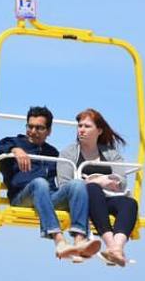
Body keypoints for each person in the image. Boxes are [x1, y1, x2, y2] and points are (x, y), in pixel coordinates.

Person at [0, 106, 99, 261]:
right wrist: (15, 150)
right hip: (22, 197)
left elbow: (65, 176)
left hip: (49, 197)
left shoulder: (52, 153)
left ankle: (79, 241)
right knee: (40, 183)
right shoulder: (13, 142)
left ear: (48, 131)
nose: (33, 131)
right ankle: (59, 242)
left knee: (77, 184)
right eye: (30, 126)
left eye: (39, 128)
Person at [58, 108, 139, 267]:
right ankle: (111, 245)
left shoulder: (111, 154)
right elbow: (65, 185)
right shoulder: (68, 153)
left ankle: (117, 248)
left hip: (107, 198)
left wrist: (103, 180)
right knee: (93, 189)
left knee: (130, 203)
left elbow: (121, 181)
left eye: (87, 126)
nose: (81, 130)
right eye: (80, 126)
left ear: (99, 131)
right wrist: (99, 181)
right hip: (82, 202)